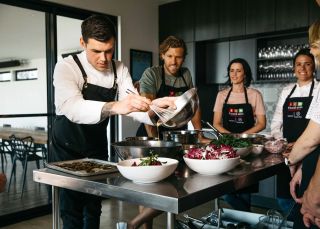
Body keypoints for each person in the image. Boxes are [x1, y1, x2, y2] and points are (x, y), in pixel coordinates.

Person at [51, 15, 176, 229]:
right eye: (96, 51)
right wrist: (115, 106)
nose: (103, 58)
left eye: (109, 50)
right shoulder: (66, 67)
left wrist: (155, 107)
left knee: (94, 204)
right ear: (83, 43)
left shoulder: (119, 69)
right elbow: (72, 107)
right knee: (71, 209)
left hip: (96, 144)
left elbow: (133, 105)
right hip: (67, 147)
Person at [213, 58, 266, 211]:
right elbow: (216, 123)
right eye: (231, 70)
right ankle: (246, 218)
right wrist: (231, 137)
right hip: (227, 148)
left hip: (247, 148)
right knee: (225, 190)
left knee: (245, 192)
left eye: (238, 70)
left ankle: (244, 222)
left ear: (245, 74)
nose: (234, 74)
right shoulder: (222, 95)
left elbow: (262, 123)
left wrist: (241, 136)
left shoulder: (254, 94)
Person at [270, 48, 317, 216]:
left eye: (307, 64)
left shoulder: (319, 89)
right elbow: (276, 123)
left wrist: (299, 145)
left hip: (311, 153)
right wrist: (282, 142)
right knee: (284, 199)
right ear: (293, 68)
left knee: (306, 200)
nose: (302, 68)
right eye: (298, 64)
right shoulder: (286, 91)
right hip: (288, 153)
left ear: (314, 67)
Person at [287, 19, 320, 229]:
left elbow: (311, 139)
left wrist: (290, 161)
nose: (315, 63)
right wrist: (302, 168)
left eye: (315, 56)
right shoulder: (287, 90)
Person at [136, 35, 203, 139]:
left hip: (178, 135)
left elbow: (194, 105)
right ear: (162, 55)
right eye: (169, 56)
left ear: (184, 58)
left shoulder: (186, 74)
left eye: (178, 57)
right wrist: (155, 141)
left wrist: (200, 136)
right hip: (153, 134)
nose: (173, 62)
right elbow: (147, 111)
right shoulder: (152, 74)